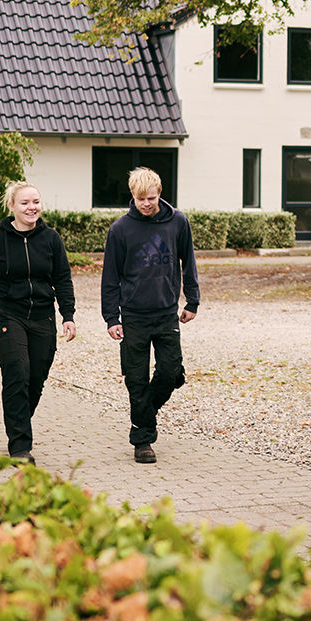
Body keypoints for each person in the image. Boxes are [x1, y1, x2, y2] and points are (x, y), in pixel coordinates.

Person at [0, 181, 77, 461]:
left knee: (36, 377)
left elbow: (62, 279)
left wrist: (68, 315)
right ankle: (20, 446)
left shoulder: (51, 239)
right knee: (18, 371)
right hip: (7, 314)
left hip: (42, 316)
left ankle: (18, 423)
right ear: (12, 206)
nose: (32, 208)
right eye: (25, 203)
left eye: (36, 202)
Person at [99, 165, 199, 463]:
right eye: (141, 199)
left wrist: (192, 300)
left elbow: (188, 262)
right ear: (133, 196)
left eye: (151, 199)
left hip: (166, 313)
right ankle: (142, 440)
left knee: (171, 372)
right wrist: (111, 318)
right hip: (133, 316)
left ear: (160, 194)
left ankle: (144, 413)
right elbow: (110, 277)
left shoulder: (177, 223)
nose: (146, 204)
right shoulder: (120, 230)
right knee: (136, 379)